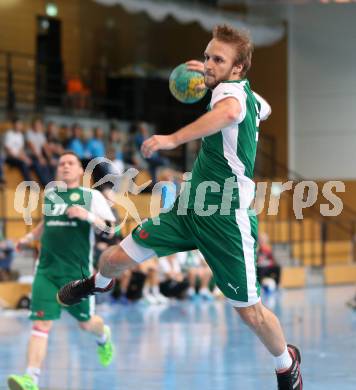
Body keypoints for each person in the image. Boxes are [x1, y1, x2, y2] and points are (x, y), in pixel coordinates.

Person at [57, 24, 303, 389]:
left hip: (225, 218)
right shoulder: (247, 94)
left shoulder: (232, 98)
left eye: (217, 60)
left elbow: (229, 112)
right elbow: (258, 106)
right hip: (190, 209)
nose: (207, 64)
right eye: (207, 56)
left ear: (238, 69)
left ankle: (287, 364)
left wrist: (172, 138)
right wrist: (210, 76)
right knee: (111, 259)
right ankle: (99, 284)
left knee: (250, 313)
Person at [7, 151, 116, 390]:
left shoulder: (92, 196)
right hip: (45, 271)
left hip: (76, 275)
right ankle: (30, 378)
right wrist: (28, 237)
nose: (65, 166)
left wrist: (87, 215)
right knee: (41, 325)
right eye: (62, 163)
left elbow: (110, 230)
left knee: (86, 324)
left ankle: (103, 335)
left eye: (71, 163)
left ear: (79, 171)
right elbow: (46, 224)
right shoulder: (50, 195)